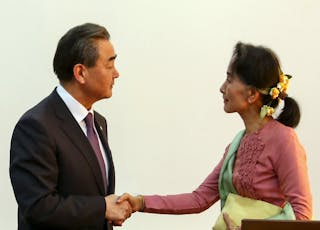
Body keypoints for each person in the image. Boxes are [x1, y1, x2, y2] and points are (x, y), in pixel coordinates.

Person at [117, 42, 313, 229]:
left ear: (252, 94)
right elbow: (200, 198)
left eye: (229, 80)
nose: (222, 88)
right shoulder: (238, 143)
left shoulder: (284, 139)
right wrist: (140, 202)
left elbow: (302, 214)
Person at [10, 23, 132, 230]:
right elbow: (38, 206)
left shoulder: (98, 122)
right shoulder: (36, 126)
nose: (117, 73)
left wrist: (109, 210)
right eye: (109, 65)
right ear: (80, 73)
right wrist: (102, 208)